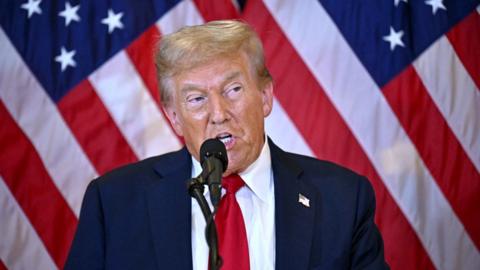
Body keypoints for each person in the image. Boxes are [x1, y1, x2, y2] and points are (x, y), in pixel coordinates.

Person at [65, 20, 389, 270]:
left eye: (233, 89)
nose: (218, 114)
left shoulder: (343, 199)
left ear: (265, 96)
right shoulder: (114, 203)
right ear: (175, 118)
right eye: (197, 99)